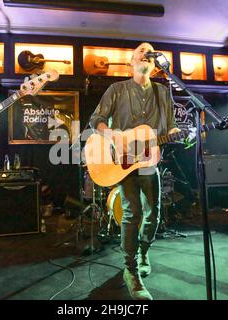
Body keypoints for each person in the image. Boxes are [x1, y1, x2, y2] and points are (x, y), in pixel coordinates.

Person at [89, 42, 179, 300]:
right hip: (122, 161)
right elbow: (96, 120)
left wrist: (177, 133)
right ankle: (130, 269)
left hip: (150, 161)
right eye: (141, 50)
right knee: (133, 211)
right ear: (131, 62)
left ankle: (142, 252)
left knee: (154, 213)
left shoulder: (163, 91)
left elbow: (170, 126)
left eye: (150, 52)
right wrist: (113, 135)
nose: (146, 53)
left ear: (154, 64)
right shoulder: (116, 89)